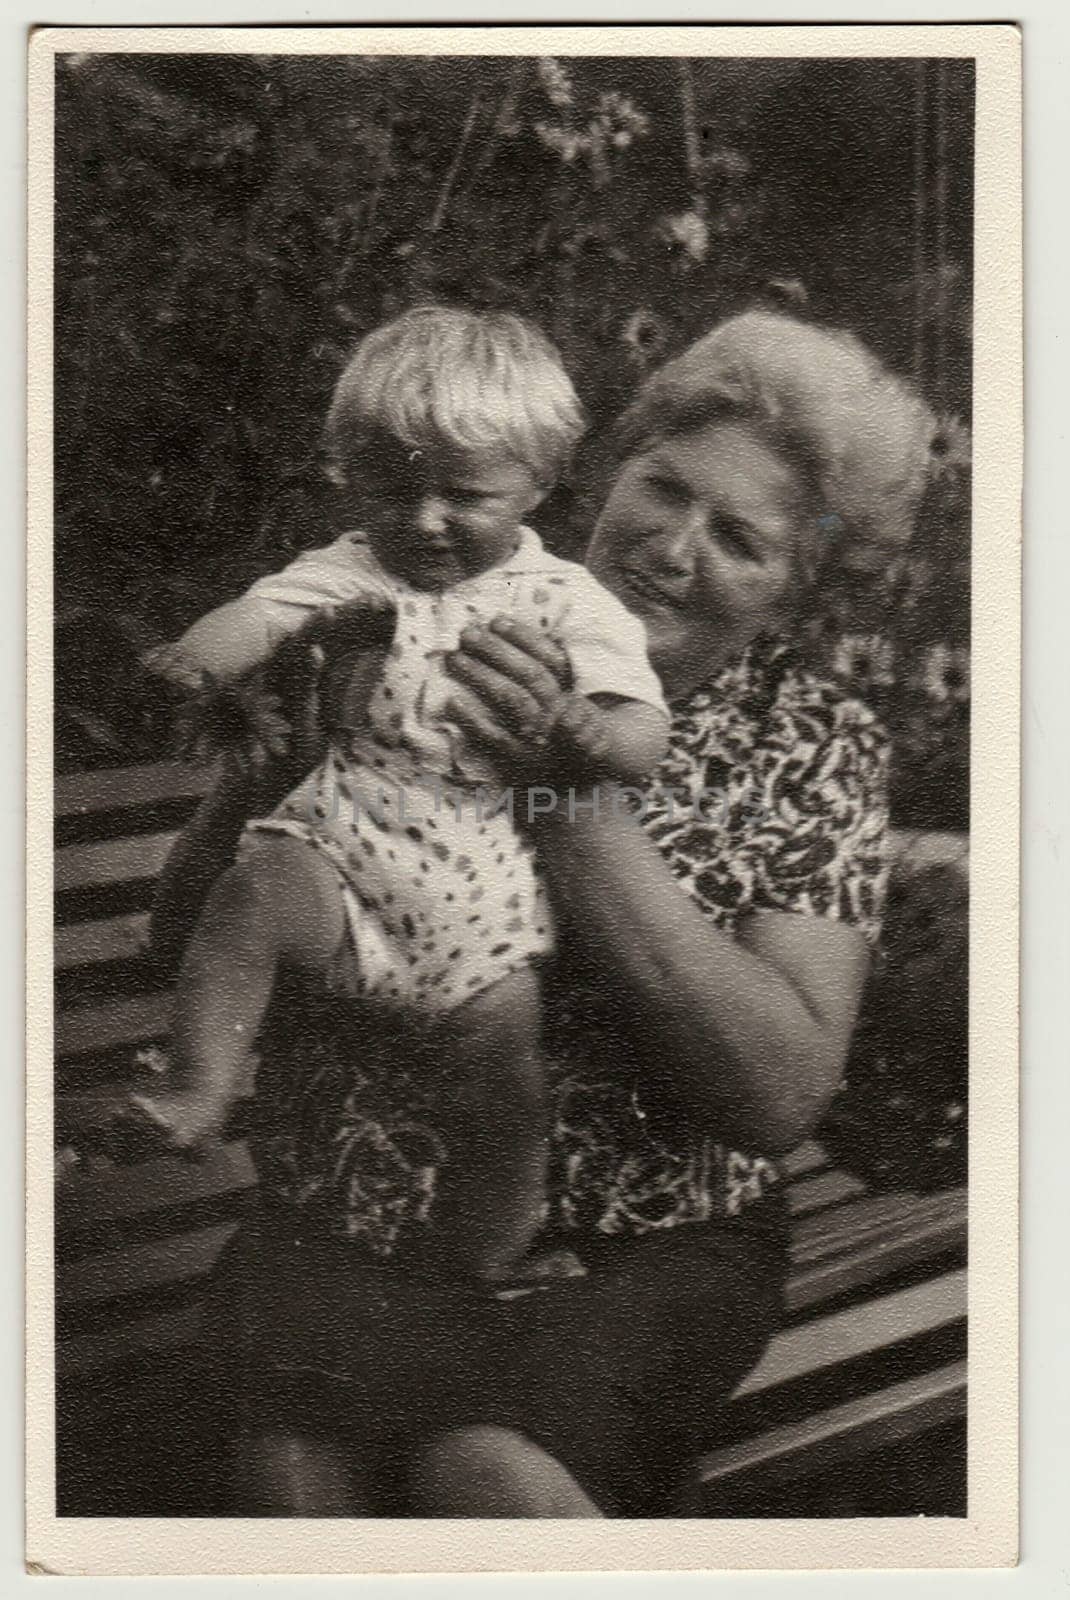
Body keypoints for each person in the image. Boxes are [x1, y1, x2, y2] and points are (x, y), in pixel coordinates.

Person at [161, 309, 937, 1517]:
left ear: (797, 588)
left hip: (639, 1244)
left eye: (737, 537)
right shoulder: (395, 610)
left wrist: (568, 797)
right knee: (301, 1500)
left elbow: (775, 1095)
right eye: (663, 486)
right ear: (605, 469)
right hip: (348, 1218)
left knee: (486, 1476)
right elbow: (187, 943)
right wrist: (274, 765)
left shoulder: (811, 744)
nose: (671, 548)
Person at [130, 305, 669, 1279]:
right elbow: (254, 618)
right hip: (342, 837)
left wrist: (589, 734)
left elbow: (641, 732)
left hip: (477, 881)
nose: (423, 521)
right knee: (247, 903)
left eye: (464, 495)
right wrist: (197, 663)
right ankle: (198, 1087)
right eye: (393, 489)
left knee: (503, 1085)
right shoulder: (349, 573)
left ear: (538, 483)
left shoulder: (561, 602)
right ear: (353, 475)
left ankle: (488, 1255)